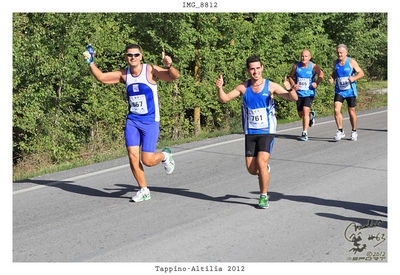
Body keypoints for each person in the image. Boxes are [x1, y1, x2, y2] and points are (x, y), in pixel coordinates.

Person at [83, 44, 180, 202]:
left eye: (136, 54)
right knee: (133, 156)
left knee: (147, 160)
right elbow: (101, 77)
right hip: (133, 121)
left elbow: (173, 76)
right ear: (126, 57)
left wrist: (169, 66)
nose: (133, 57)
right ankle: (144, 189)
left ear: (141, 56)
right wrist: (91, 62)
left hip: (150, 121)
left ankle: (165, 155)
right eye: (129, 55)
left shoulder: (150, 70)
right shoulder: (124, 74)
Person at [216, 55, 298, 209]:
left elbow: (292, 98)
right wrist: (220, 88)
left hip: (267, 131)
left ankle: (263, 196)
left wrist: (290, 88)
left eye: (258, 68)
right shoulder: (243, 87)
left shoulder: (270, 86)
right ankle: (264, 170)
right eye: (252, 69)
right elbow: (225, 99)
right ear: (248, 70)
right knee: (251, 169)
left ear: (262, 68)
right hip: (250, 132)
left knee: (260, 163)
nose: (255, 72)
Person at [329, 44, 364, 141]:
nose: (339, 54)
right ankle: (340, 131)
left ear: (346, 53)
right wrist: (332, 78)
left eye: (341, 53)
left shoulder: (351, 62)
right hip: (339, 90)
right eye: (338, 53)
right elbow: (335, 72)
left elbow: (361, 73)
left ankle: (354, 131)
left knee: (351, 111)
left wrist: (354, 78)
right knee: (336, 109)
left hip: (350, 91)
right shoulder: (335, 62)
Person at [289, 49, 324, 141]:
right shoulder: (296, 66)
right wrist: (293, 85)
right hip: (299, 93)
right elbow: (290, 77)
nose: (303, 58)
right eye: (302, 56)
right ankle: (311, 116)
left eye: (305, 56)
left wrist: (316, 83)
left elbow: (321, 74)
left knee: (305, 111)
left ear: (309, 57)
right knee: (301, 114)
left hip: (309, 93)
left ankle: (304, 133)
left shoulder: (313, 66)